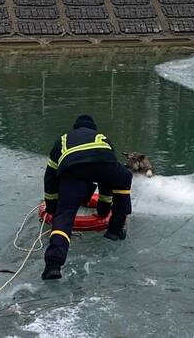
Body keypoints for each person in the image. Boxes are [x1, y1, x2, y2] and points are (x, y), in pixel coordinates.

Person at [42, 115, 132, 280]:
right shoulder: (101, 137)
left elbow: (50, 177)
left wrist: (52, 207)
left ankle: (53, 265)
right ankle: (115, 230)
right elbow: (107, 181)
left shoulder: (63, 139)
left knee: (65, 216)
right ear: (93, 128)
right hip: (103, 165)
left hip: (73, 171)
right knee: (124, 178)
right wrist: (104, 210)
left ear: (75, 128)